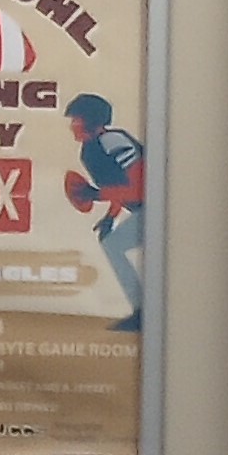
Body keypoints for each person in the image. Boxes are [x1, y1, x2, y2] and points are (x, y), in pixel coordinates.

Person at [64, 92, 145, 333]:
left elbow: (140, 186)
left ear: (91, 121)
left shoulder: (113, 141)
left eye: (76, 119)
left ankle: (145, 312)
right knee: (113, 245)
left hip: (163, 209)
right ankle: (142, 311)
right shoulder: (89, 152)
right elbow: (117, 185)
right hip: (145, 210)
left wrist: (95, 195)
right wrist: (111, 216)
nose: (72, 126)